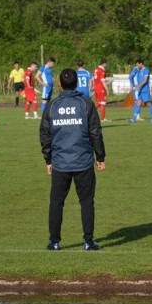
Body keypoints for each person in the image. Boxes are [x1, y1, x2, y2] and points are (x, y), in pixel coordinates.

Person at [39, 68, 106, 251]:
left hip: (60, 163)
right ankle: (88, 241)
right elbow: (95, 133)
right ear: (77, 83)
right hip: (83, 162)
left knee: (56, 202)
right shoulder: (86, 104)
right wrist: (100, 157)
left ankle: (54, 242)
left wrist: (48, 159)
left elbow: (45, 134)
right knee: (86, 201)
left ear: (60, 83)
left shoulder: (52, 106)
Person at [128, 58, 152, 123]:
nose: (137, 66)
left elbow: (145, 80)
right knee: (138, 103)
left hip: (145, 90)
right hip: (140, 90)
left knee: (149, 103)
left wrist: (138, 86)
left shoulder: (146, 70)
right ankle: (134, 119)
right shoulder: (139, 71)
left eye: (138, 65)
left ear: (141, 63)